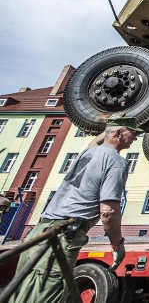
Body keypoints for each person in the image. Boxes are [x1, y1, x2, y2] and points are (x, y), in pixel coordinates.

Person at [10, 117, 142, 303]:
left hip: (39, 230)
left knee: (23, 291)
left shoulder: (87, 153)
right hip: (64, 235)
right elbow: (108, 211)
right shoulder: (116, 161)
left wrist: (112, 124)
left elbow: (95, 141)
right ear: (119, 134)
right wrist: (117, 244)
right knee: (46, 292)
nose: (135, 138)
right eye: (133, 133)